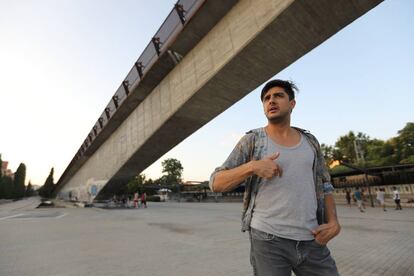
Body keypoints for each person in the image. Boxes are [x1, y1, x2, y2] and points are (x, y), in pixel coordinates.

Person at [209, 80, 340, 276]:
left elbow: (325, 183)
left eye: (278, 96)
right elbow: (215, 182)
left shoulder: (310, 142)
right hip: (268, 240)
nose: (271, 101)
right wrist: (252, 167)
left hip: (312, 237)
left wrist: (334, 222)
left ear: (292, 104)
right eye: (266, 98)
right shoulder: (252, 140)